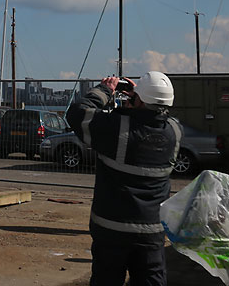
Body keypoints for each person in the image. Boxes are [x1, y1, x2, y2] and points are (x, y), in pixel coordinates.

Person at [65, 72, 180, 286]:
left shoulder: (117, 128)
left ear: (138, 100)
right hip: (152, 230)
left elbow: (77, 114)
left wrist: (105, 90)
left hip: (112, 229)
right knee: (151, 279)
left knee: (107, 279)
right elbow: (153, 117)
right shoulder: (174, 131)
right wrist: (140, 97)